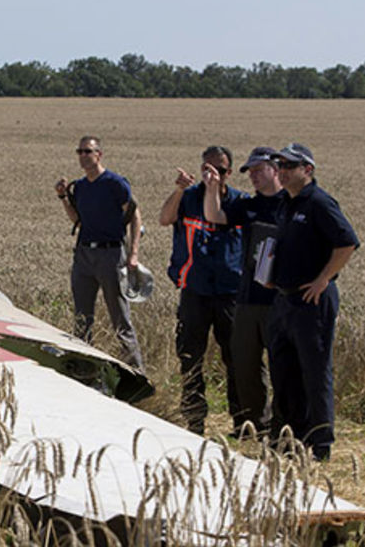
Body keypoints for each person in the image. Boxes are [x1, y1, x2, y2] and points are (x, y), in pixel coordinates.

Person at [266, 143, 359, 461]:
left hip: (312, 301)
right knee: (283, 369)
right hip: (283, 299)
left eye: (290, 165)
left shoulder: (319, 203)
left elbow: (346, 242)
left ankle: (320, 444)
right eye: (280, 164)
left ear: (308, 169)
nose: (283, 170)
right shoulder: (285, 204)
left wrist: (324, 279)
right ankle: (289, 438)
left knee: (315, 371)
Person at [159, 146, 245, 435]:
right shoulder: (189, 197)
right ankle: (194, 421)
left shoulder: (238, 203)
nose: (211, 174)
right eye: (206, 168)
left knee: (237, 357)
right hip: (194, 291)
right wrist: (180, 190)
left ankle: (243, 421)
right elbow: (165, 218)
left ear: (228, 174)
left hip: (229, 291)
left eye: (218, 171)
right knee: (190, 357)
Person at [202, 147, 286, 437]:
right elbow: (213, 215)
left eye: (259, 170)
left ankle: (282, 427)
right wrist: (213, 187)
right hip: (248, 297)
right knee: (245, 364)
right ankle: (256, 426)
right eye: (250, 172)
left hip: (280, 301)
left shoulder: (291, 205)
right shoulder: (249, 206)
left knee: (282, 365)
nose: (253, 177)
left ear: (276, 170)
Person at [54, 136, 145, 370]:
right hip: (84, 254)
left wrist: (133, 254)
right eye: (80, 152)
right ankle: (84, 371)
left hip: (111, 254)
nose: (83, 156)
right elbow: (78, 220)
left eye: (88, 151)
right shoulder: (81, 187)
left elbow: (135, 216)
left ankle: (136, 372)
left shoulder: (115, 183)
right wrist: (64, 198)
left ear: (99, 154)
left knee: (120, 317)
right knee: (82, 319)